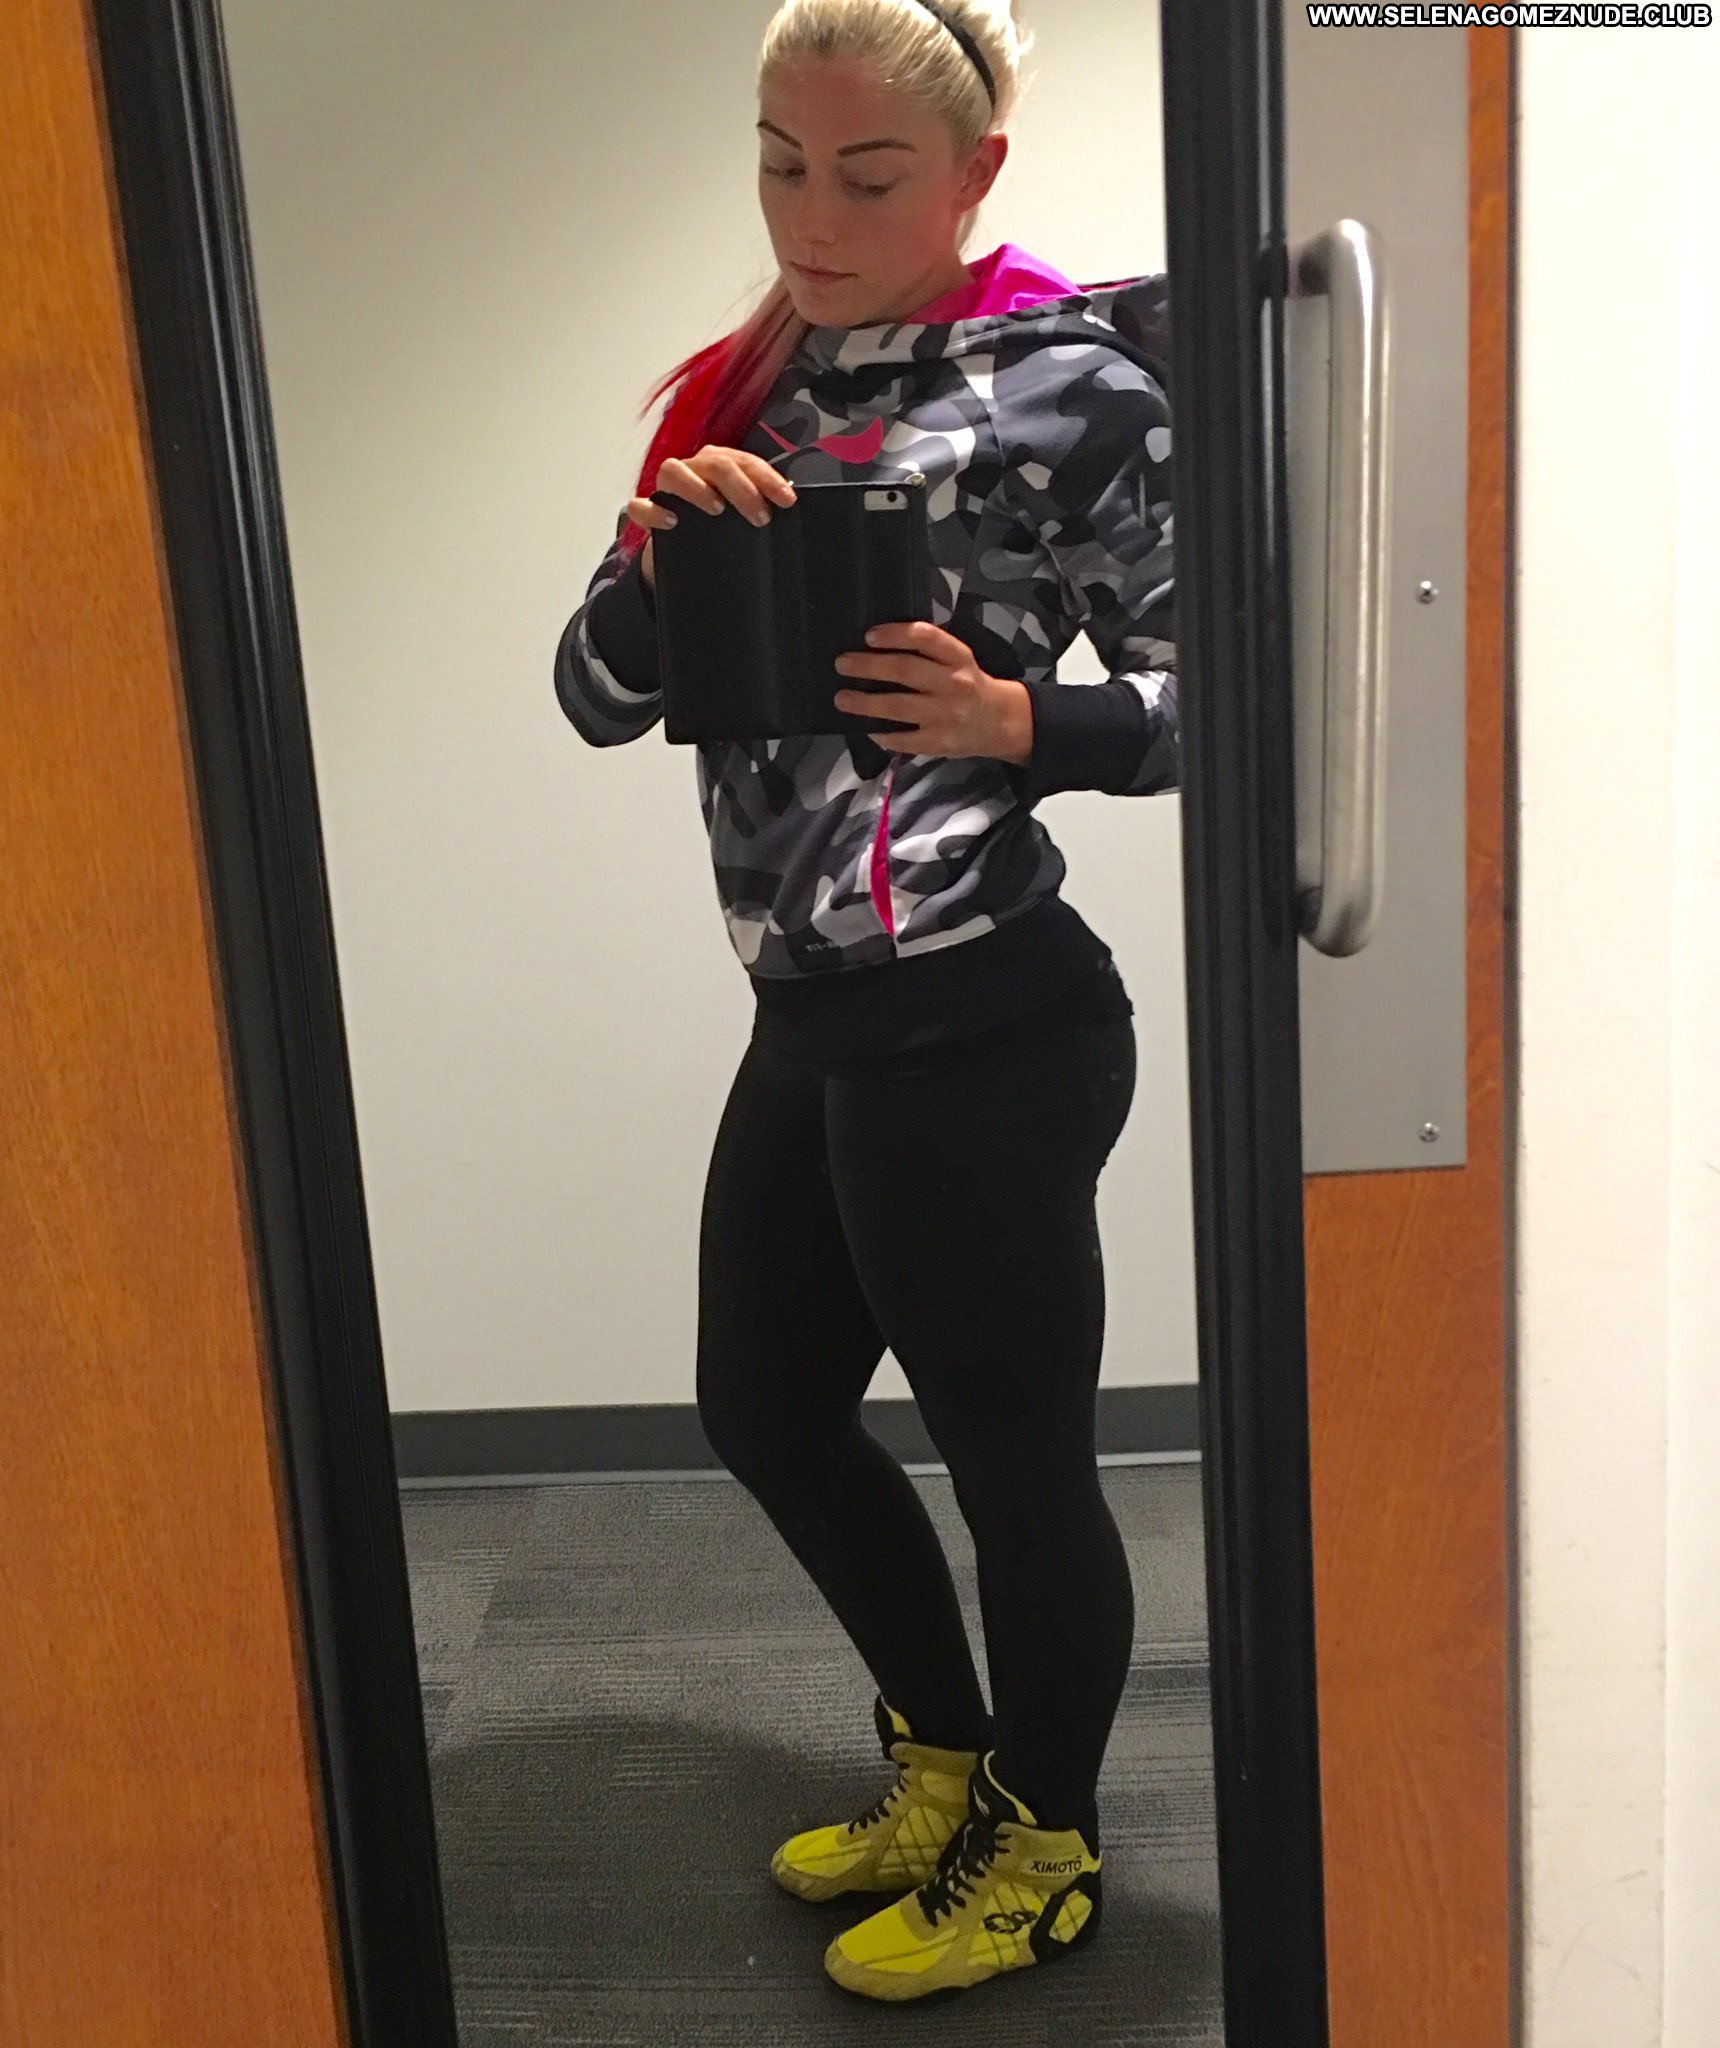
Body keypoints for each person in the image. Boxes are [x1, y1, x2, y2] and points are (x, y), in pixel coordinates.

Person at [554, 0, 1175, 2006]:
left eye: (867, 175)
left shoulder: (1070, 387)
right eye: (778, 163)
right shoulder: (754, 380)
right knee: (764, 1409)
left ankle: (1046, 1849)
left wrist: (1021, 720)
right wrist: (661, 565)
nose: (810, 217)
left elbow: (1240, 689)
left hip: (987, 1014)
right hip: (812, 1011)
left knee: (1015, 1468)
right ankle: (944, 1758)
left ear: (973, 173)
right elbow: (592, 697)